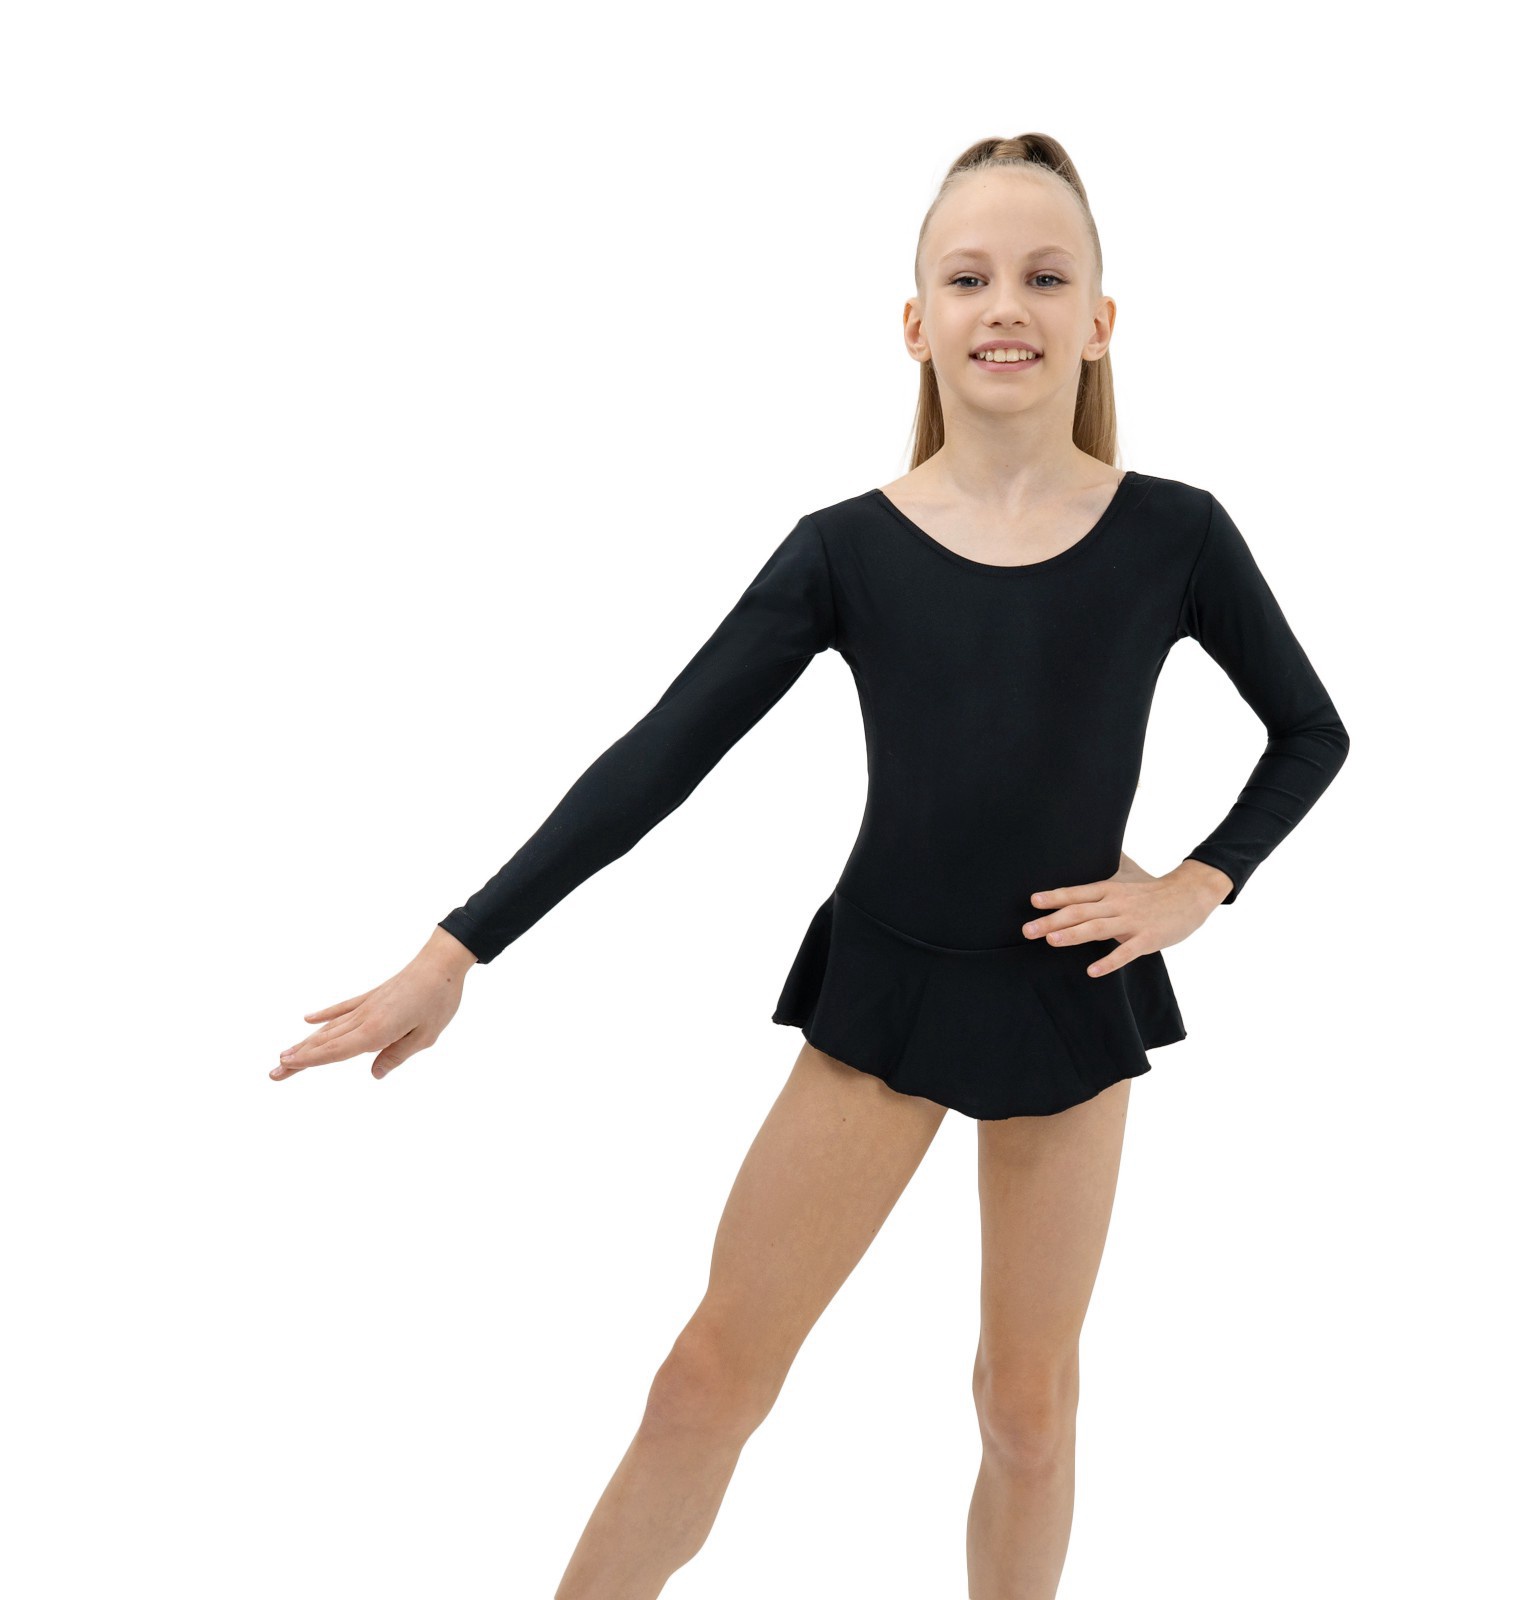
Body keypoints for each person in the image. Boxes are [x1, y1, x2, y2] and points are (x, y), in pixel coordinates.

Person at [272, 133, 1350, 1598]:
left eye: (1046, 276)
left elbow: (1310, 731)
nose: (1006, 305)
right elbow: (659, 759)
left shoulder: (1176, 534)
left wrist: (1199, 884)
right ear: (916, 321)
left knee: (1027, 1411)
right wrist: (454, 950)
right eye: (968, 278)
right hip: (888, 991)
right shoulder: (847, 551)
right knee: (705, 1380)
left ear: (1101, 319)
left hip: (1069, 993)